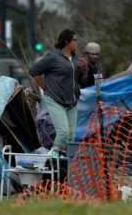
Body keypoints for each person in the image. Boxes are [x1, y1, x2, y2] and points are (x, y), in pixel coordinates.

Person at [29, 29, 88, 158]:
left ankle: (66, 165)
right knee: (63, 133)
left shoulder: (76, 59)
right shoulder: (53, 57)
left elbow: (81, 80)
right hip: (55, 99)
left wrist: (84, 69)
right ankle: (52, 160)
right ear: (67, 42)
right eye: (75, 40)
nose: (77, 42)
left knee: (71, 136)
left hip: (71, 101)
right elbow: (33, 71)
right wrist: (45, 88)